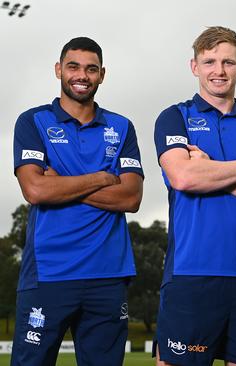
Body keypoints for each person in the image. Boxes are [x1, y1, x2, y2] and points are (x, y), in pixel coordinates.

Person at [11, 36, 144, 366]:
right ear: (59, 70)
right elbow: (36, 191)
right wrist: (101, 178)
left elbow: (131, 197)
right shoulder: (33, 121)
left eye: (91, 69)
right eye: (73, 67)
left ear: (102, 74)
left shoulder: (122, 127)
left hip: (108, 276)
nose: (81, 75)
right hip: (49, 274)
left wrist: (61, 182)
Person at [153, 26, 236, 366]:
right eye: (209, 62)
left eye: (228, 62)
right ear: (194, 67)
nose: (219, 71)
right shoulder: (174, 118)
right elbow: (184, 175)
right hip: (191, 274)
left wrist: (213, 168)